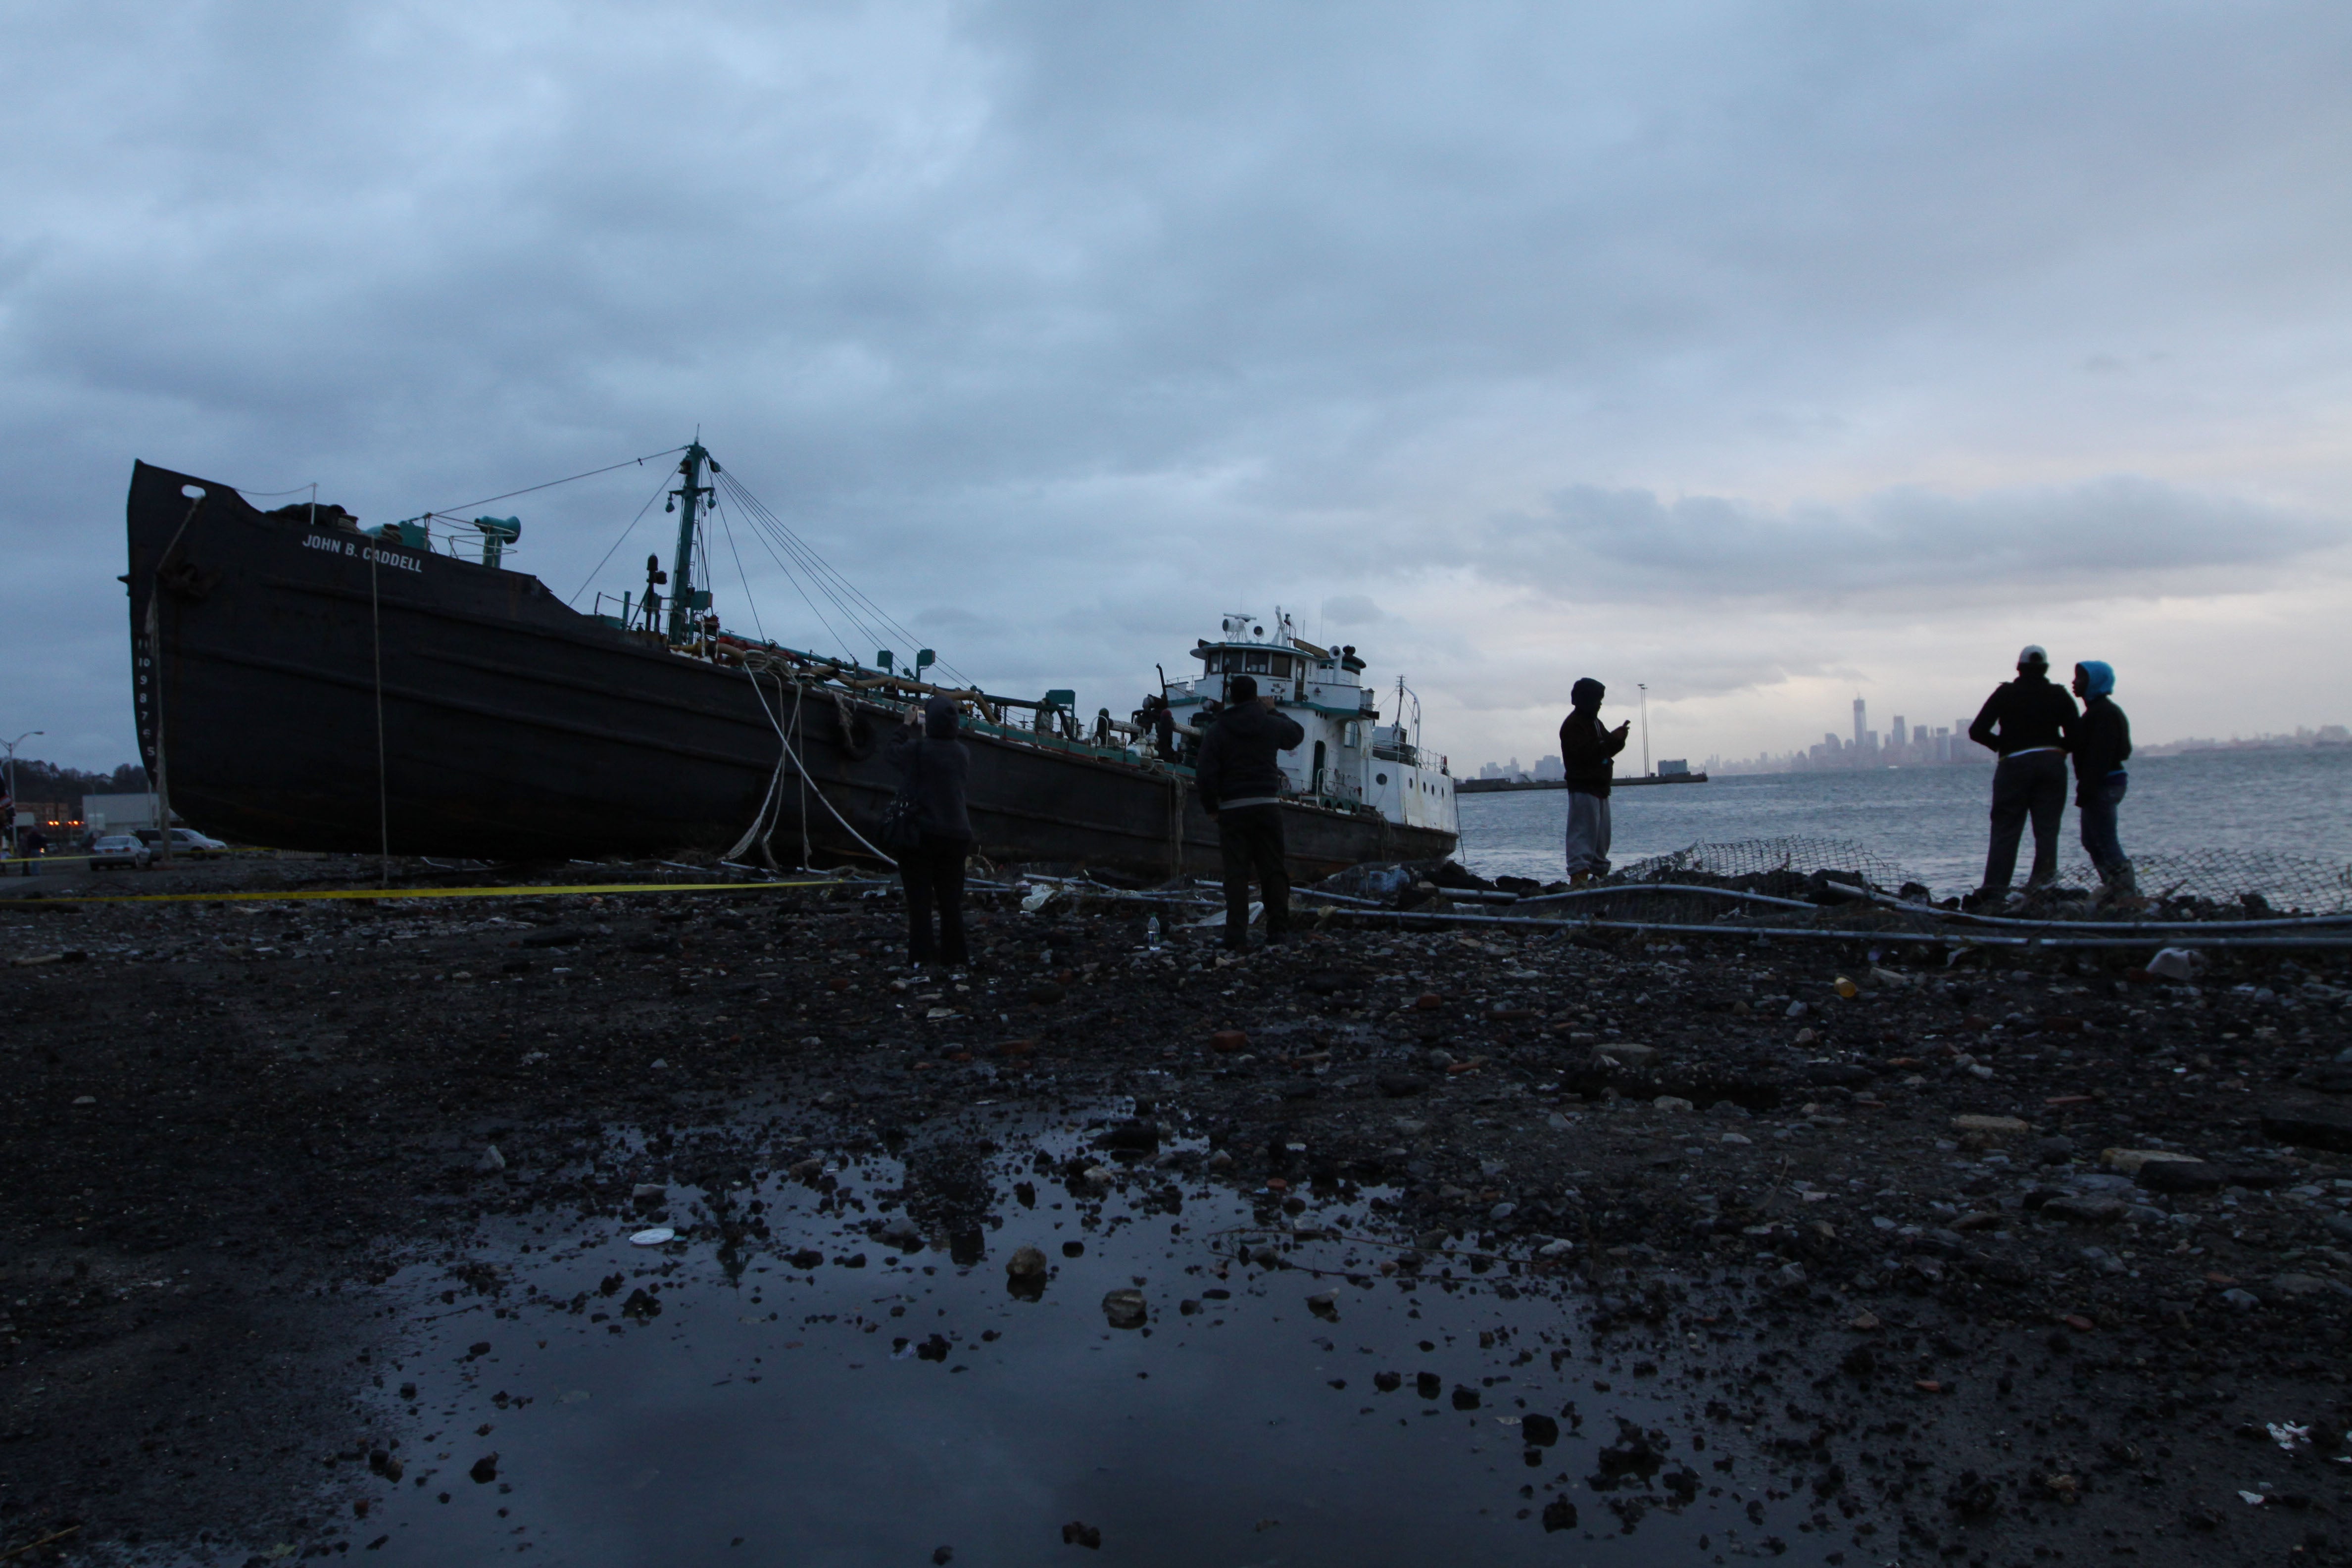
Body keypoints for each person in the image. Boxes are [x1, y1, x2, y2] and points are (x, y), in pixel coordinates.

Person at [1192, 674, 1305, 951]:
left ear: (1231, 697)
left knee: (1236, 874)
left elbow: (1205, 772)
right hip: (1267, 806)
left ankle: (1236, 935)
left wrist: (1211, 807)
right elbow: (1296, 735)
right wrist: (1273, 709)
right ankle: (1278, 931)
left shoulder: (1218, 730)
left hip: (1233, 809)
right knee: (1273, 870)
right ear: (1256, 697)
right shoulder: (1270, 724)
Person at [1966, 644, 2079, 906]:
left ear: (2019, 668)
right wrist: (2056, 749)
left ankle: (1995, 892)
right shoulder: (2060, 695)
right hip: (2052, 765)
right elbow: (2077, 736)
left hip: (2014, 765)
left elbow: (1977, 730)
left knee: (2006, 830)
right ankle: (2044, 889)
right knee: (2048, 831)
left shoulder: (2006, 694)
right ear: (2046, 669)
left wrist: (2002, 746)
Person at [888, 695, 975, 969]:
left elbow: (892, 752)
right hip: (957, 836)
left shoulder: (917, 750)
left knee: (920, 902)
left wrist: (906, 724)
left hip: (922, 835)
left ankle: (922, 959)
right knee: (951, 902)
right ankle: (956, 959)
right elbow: (940, 750)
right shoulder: (963, 754)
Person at [2065, 660, 2134, 898]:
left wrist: (2086, 789)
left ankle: (2125, 892)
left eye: (2081, 678)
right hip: (2100, 785)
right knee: (2092, 840)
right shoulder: (2096, 712)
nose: (2074, 683)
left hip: (2104, 785)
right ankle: (2115, 888)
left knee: (2104, 840)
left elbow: (2101, 756)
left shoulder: (2104, 713)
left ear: (2095, 682)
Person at [1557, 678, 1629, 884]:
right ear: (1585, 700)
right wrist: (1611, 740)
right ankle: (1580, 882)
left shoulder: (1595, 723)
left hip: (1599, 789)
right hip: (1584, 789)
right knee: (1582, 840)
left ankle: (1599, 880)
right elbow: (1586, 755)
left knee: (1600, 843)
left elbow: (1603, 750)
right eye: (1597, 700)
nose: (1600, 704)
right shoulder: (1573, 725)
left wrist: (1618, 740)